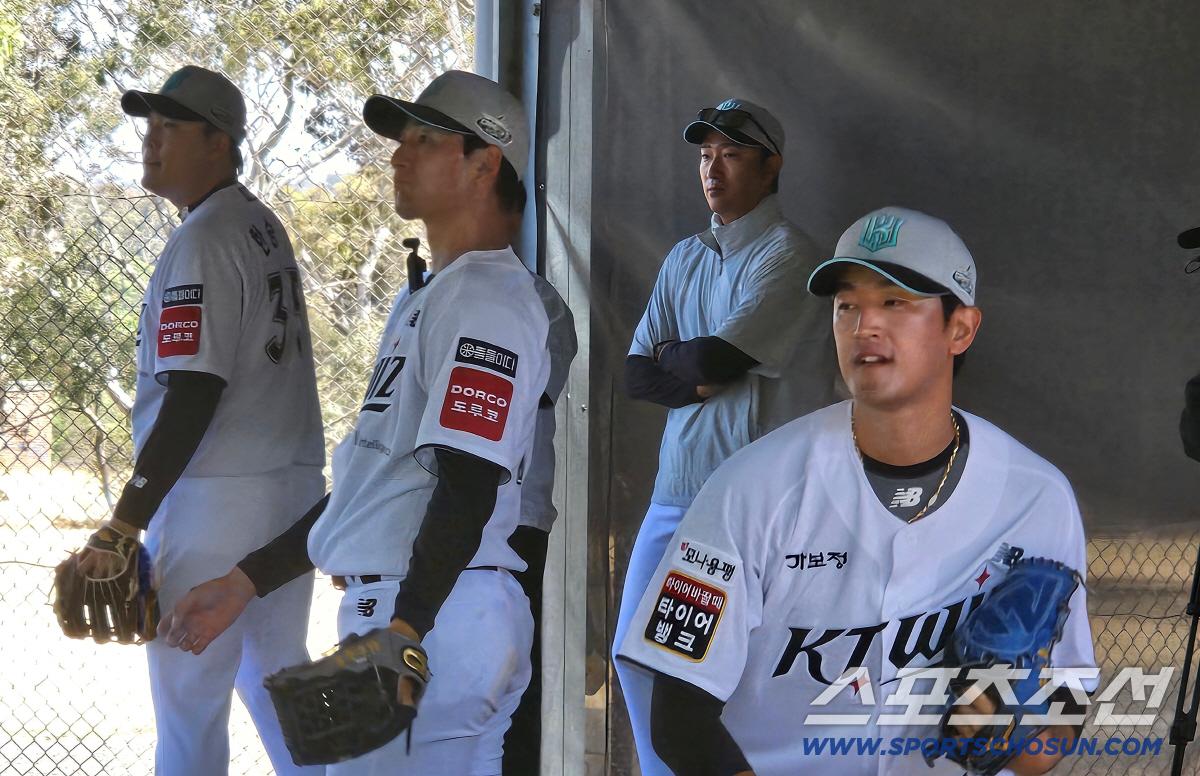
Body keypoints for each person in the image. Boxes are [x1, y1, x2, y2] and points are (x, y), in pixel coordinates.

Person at [156, 70, 577, 776]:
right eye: (401, 138)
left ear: (485, 164)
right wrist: (243, 582)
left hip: (429, 614)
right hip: (429, 611)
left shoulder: (486, 297)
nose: (399, 154)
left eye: (425, 139)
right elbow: (371, 492)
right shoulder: (436, 294)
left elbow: (468, 482)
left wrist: (404, 633)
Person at [616, 207, 1097, 776]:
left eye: (895, 302)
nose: (865, 324)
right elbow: (678, 715)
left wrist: (1024, 732)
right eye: (848, 306)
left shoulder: (1037, 497)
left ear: (960, 328)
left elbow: (1070, 685)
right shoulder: (750, 488)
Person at [86, 65, 327, 775]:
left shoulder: (205, 235)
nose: (151, 141)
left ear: (218, 143)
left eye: (170, 126)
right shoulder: (259, 223)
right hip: (288, 489)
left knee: (188, 702)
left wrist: (127, 518)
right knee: (277, 676)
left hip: (218, 493)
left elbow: (195, 388)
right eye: (149, 125)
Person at [613, 98, 838, 776]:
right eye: (705, 154)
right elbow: (634, 375)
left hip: (745, 506)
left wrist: (692, 362)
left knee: (724, 685)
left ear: (771, 167)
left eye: (732, 153)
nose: (713, 167)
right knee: (637, 659)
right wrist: (702, 364)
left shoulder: (790, 252)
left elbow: (713, 363)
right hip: (674, 494)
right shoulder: (686, 255)